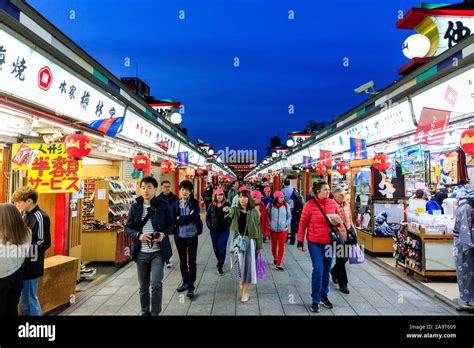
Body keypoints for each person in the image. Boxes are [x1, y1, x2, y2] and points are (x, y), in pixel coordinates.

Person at [125, 176, 174, 316]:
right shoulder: (135, 206)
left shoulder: (163, 205)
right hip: (141, 253)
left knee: (156, 284)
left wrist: (163, 234)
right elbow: (127, 228)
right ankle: (145, 312)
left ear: (155, 189)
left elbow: (171, 224)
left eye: (149, 187)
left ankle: (155, 313)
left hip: (158, 252)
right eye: (143, 187)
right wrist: (139, 235)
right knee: (143, 287)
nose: (145, 191)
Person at [297, 181, 343, 313]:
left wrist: (337, 223)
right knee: (318, 269)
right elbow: (303, 223)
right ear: (317, 191)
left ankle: (324, 295)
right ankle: (315, 300)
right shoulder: (310, 205)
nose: (327, 192)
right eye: (324, 190)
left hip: (329, 242)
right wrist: (300, 241)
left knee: (326, 270)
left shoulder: (333, 203)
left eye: (328, 189)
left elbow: (340, 221)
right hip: (314, 242)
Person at [11, 186, 51, 316]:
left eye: (19, 202)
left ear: (29, 201)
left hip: (32, 265)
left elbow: (43, 242)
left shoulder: (41, 217)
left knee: (30, 300)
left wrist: (23, 251)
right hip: (22, 264)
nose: (17, 205)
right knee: (25, 301)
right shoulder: (24, 215)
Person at [223, 189, 263, 302]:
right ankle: (241, 281)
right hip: (237, 241)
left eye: (245, 196)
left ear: (248, 198)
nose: (242, 199)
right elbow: (230, 211)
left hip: (250, 241)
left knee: (248, 267)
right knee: (237, 265)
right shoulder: (236, 210)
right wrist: (226, 209)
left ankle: (245, 292)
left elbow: (258, 230)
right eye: (240, 196)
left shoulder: (254, 212)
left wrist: (259, 246)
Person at [0, 204, 31, 317]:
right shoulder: (27, 233)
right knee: (11, 308)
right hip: (17, 275)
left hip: (2, 278)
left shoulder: (3, 236)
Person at [173, 180, 201, 299]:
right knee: (182, 260)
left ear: (190, 192)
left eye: (187, 190)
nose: (184, 192)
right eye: (182, 189)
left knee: (192, 261)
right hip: (179, 236)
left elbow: (194, 217)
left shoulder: (194, 203)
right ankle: (185, 282)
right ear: (179, 191)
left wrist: (181, 218)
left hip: (192, 235)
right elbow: (174, 219)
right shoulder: (175, 204)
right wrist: (186, 217)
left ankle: (191, 286)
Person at [330, 187, 354, 294]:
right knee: (340, 259)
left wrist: (353, 229)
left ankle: (334, 271)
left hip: (348, 235)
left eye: (343, 194)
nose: (343, 197)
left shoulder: (347, 205)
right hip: (338, 235)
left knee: (346, 258)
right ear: (334, 196)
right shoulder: (332, 206)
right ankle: (343, 284)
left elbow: (350, 219)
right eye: (340, 195)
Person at [453, 189, 474, 306]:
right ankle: (469, 297)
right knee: (466, 270)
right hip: (464, 242)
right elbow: (464, 229)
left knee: (466, 270)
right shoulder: (466, 208)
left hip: (463, 241)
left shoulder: (464, 207)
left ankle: (469, 297)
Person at [206, 188, 231, 275]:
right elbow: (207, 218)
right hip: (213, 231)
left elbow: (230, 218)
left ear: (223, 196)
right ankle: (219, 260)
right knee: (216, 248)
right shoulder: (211, 205)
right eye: (218, 195)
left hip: (224, 230)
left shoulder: (227, 205)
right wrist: (210, 226)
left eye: (221, 195)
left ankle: (220, 265)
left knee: (222, 248)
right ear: (215, 196)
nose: (220, 196)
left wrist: (227, 223)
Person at [267, 191, 292, 271]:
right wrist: (269, 224)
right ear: (276, 198)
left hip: (283, 229)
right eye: (281, 197)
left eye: (283, 197)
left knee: (281, 246)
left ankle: (279, 263)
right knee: (273, 246)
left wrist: (286, 224)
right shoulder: (270, 205)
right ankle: (275, 257)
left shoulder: (286, 205)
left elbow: (289, 216)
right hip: (273, 229)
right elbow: (267, 216)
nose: (283, 198)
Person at [158, 180, 179, 268]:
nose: (167, 188)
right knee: (168, 243)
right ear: (161, 188)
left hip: (174, 224)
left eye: (168, 186)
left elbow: (178, 210)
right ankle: (168, 260)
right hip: (164, 225)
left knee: (177, 242)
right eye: (165, 187)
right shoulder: (158, 199)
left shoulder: (175, 198)